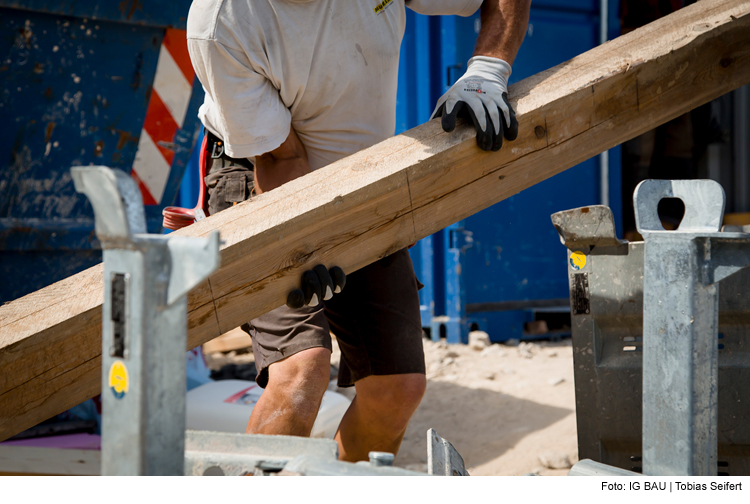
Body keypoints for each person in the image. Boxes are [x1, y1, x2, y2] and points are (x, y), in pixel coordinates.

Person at [186, 0, 530, 462]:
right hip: (260, 178)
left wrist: (488, 69)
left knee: (396, 389)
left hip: (363, 179)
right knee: (302, 372)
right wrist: (301, 249)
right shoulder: (222, 20)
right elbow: (281, 158)